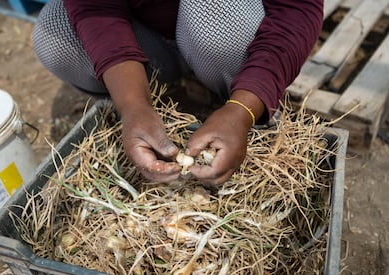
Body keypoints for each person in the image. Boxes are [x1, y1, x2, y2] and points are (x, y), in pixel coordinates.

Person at [32, 0, 323, 186]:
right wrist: (133, 104)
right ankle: (163, 94)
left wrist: (242, 110)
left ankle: (228, 97)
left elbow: (296, 10)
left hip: (222, 29)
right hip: (149, 38)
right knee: (55, 33)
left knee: (215, 10)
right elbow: (95, 7)